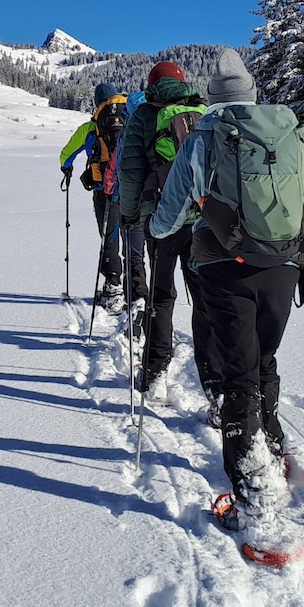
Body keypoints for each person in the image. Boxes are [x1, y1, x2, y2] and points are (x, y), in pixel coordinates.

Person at [146, 48, 304, 526]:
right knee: (263, 360)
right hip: (284, 267)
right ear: (251, 96)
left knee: (237, 375)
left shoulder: (205, 136)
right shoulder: (293, 135)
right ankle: (271, 447)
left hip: (225, 269)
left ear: (212, 98)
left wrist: (161, 232)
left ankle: (253, 496)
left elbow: (170, 212)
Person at [118, 61, 218, 410]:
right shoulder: (204, 110)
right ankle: (215, 384)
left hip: (160, 219)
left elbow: (130, 172)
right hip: (204, 220)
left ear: (152, 84)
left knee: (161, 297)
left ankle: (155, 370)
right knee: (205, 300)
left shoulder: (144, 116)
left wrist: (129, 213)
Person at [60, 81, 144, 314]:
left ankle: (113, 287)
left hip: (103, 191)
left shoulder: (92, 127)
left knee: (110, 235)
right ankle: (137, 290)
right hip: (134, 190)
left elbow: (67, 154)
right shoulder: (133, 118)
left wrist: (66, 168)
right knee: (135, 240)